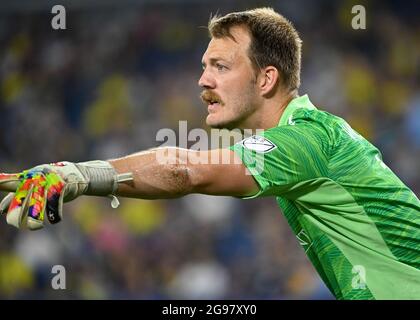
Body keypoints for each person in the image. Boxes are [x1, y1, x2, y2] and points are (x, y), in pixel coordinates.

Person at [0, 7, 419, 300]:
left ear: (266, 78)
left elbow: (186, 170)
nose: (203, 80)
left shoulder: (307, 140)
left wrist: (77, 175)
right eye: (204, 66)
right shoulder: (306, 137)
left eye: (220, 66)